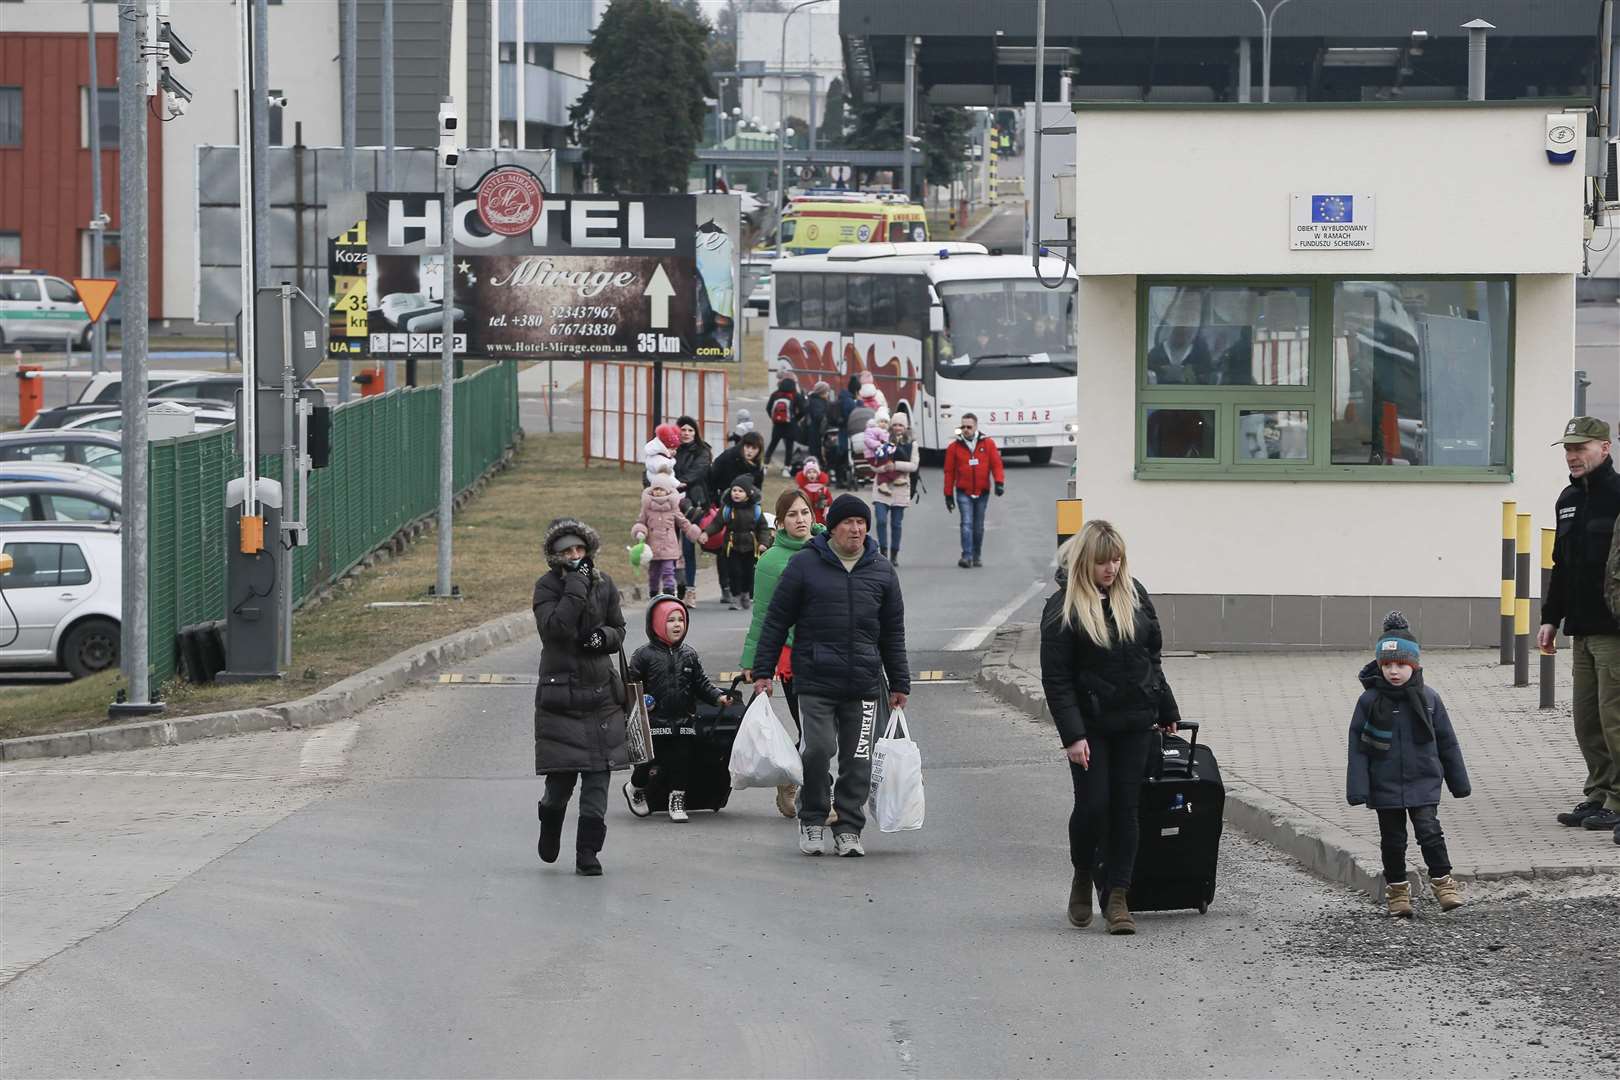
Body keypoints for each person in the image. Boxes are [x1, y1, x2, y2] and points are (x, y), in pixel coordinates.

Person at [1038, 520, 1180, 935]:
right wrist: (1073, 736)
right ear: (1086, 562)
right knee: (1093, 806)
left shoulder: (1134, 596)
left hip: (1136, 721)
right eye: (1103, 562)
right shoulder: (1063, 607)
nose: (1112, 569)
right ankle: (1083, 873)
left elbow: (1151, 657)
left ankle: (1118, 896)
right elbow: (1057, 679)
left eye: (1117, 560)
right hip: (1091, 727)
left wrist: (1165, 705)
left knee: (1126, 810)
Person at [752, 494, 910, 858]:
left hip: (865, 684)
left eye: (861, 523)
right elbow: (776, 621)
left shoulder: (881, 570)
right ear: (833, 527)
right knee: (819, 748)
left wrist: (899, 682)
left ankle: (849, 828)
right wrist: (763, 671)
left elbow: (893, 632)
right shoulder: (806, 565)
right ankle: (812, 817)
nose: (855, 529)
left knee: (858, 758)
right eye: (848, 523)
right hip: (816, 680)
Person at [1347, 613, 1471, 916]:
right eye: (1387, 665)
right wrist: (1358, 788)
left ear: (1413, 665)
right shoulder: (1369, 702)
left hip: (1423, 780)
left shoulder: (1429, 699)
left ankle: (1443, 883)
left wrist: (1458, 783)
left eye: (1400, 665)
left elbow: (1447, 742)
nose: (1393, 671)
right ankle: (1398, 892)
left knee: (1429, 831)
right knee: (1393, 840)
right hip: (1384, 783)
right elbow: (1358, 748)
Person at [532, 518, 629, 877]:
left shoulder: (605, 584)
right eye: (567, 551)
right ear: (555, 557)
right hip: (561, 698)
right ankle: (550, 822)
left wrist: (602, 638)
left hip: (601, 696)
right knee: (560, 782)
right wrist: (576, 584)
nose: (575, 556)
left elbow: (619, 628)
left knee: (598, 780)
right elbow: (555, 628)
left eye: (579, 549)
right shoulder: (545, 587)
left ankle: (588, 851)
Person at [1541, 417, 1620, 840]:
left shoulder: (1619, 495)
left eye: (1581, 447)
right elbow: (1562, 566)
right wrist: (1551, 618)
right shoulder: (1568, 499)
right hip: (1582, 629)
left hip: (1615, 630)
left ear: (1604, 448)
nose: (1572, 455)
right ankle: (1601, 792)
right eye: (1567, 448)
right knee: (1588, 720)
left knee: (1616, 719)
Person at [740, 488, 827, 818]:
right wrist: (753, 663)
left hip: (833, 654)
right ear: (780, 523)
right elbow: (762, 614)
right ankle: (805, 791)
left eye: (804, 513)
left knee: (828, 734)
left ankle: (803, 785)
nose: (800, 520)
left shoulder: (827, 550)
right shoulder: (771, 561)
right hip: (795, 659)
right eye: (792, 515)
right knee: (812, 734)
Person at [624, 595, 732, 823]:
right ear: (656, 623)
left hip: (683, 721)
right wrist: (636, 707)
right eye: (670, 620)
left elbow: (701, 684)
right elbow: (631, 686)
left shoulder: (689, 655)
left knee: (681, 761)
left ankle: (677, 800)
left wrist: (718, 697)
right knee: (646, 763)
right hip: (652, 723)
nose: (677, 625)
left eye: (680, 620)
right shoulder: (643, 655)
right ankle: (635, 787)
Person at [706, 431, 766, 604]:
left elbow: (758, 490)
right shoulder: (729, 457)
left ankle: (745, 591)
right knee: (724, 548)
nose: (750, 451)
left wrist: (755, 507)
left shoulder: (757, 467)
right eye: (747, 447)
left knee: (746, 553)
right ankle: (726, 587)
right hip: (724, 505)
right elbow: (712, 476)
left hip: (747, 509)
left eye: (754, 448)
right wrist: (714, 501)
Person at [942, 413, 1005, 569]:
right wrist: (948, 494)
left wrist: (999, 482)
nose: (966, 430)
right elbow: (949, 472)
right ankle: (967, 556)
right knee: (966, 523)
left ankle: (977, 555)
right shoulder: (954, 447)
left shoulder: (988, 444)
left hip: (982, 491)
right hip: (963, 491)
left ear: (976, 427)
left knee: (978, 526)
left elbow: (996, 464)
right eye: (963, 427)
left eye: (969, 427)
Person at [630, 474, 705, 598]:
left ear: (667, 490)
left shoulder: (672, 507)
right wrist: (640, 531)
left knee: (668, 571)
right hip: (653, 546)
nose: (658, 492)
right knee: (653, 573)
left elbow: (683, 522)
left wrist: (693, 533)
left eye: (661, 489)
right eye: (656, 489)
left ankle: (669, 592)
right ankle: (653, 593)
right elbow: (641, 522)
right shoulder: (647, 508)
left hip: (669, 546)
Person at [706, 478, 771, 610]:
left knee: (748, 573)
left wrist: (763, 543)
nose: (736, 493)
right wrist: (706, 533)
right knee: (734, 572)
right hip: (731, 546)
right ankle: (735, 597)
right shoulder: (727, 509)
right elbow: (717, 524)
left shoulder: (756, 509)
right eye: (734, 490)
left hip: (750, 547)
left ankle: (745, 594)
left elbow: (763, 528)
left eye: (740, 491)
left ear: (748, 493)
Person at [871, 411, 919, 566]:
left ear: (905, 427)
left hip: (900, 487)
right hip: (881, 486)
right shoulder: (882, 440)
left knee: (896, 523)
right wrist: (884, 468)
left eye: (901, 425)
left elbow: (913, 465)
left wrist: (896, 465)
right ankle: (883, 551)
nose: (898, 428)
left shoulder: (912, 444)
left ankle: (894, 554)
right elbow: (873, 464)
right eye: (895, 425)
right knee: (881, 520)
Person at [673, 416, 712, 602]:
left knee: (688, 547)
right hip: (669, 502)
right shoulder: (669, 450)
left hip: (694, 504)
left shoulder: (703, 451)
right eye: (683, 430)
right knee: (670, 547)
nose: (686, 433)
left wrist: (680, 483)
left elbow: (698, 471)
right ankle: (676, 586)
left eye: (690, 430)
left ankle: (690, 589)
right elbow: (653, 470)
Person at [765, 376, 803, 475]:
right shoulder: (795, 395)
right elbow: (803, 409)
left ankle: (764, 466)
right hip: (790, 425)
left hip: (777, 425)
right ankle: (786, 468)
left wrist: (774, 418)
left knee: (772, 445)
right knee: (789, 447)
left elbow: (768, 408)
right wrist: (795, 418)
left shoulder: (775, 394)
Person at [795, 456, 832, 523]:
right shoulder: (802, 489)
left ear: (818, 474)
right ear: (805, 474)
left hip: (821, 518)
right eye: (809, 472)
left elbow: (829, 500)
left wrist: (825, 503)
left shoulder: (823, 489)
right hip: (806, 518)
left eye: (814, 472)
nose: (812, 474)